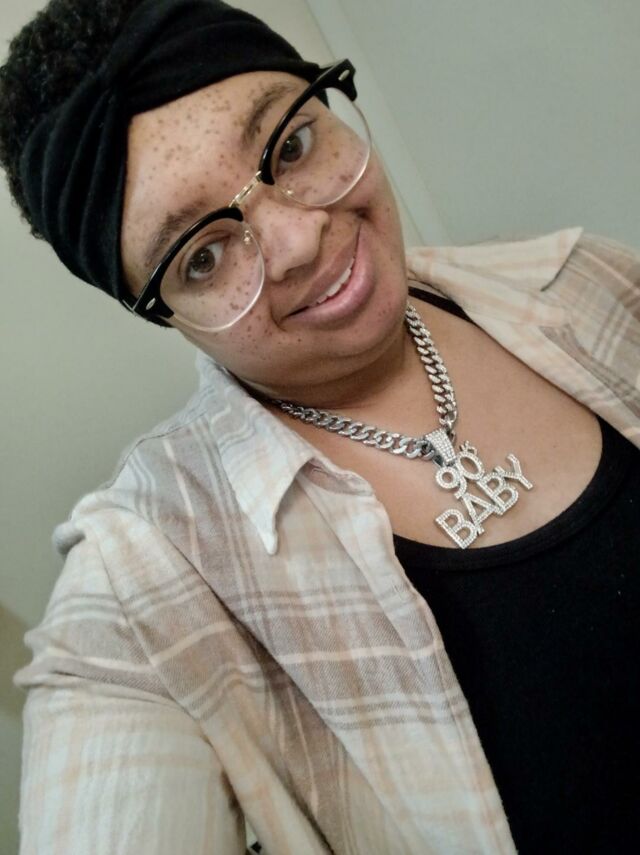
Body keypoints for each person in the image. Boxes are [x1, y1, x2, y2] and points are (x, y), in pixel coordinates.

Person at [2, 0, 638, 852]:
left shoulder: (579, 280)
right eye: (202, 255)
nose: (299, 240)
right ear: (164, 311)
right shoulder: (142, 594)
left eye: (292, 146)